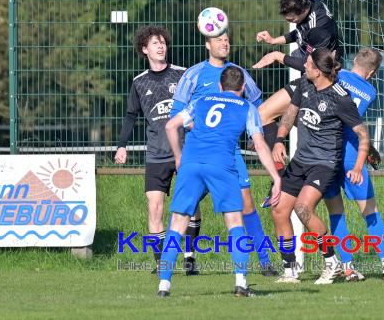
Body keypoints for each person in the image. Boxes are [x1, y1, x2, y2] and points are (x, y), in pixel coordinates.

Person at [159, 66, 282, 297]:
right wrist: (275, 177)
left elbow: (170, 125)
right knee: (235, 221)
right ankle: (240, 283)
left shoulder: (202, 100)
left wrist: (178, 157)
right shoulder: (247, 107)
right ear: (243, 87)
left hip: (191, 162)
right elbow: (260, 144)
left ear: (219, 86)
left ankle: (164, 286)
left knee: (177, 222)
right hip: (222, 164)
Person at [270, 48, 370, 284]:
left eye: (307, 64)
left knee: (303, 208)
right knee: (279, 210)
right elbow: (289, 114)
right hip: (300, 160)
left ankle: (331, 262)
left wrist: (357, 168)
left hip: (324, 164)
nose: (304, 66)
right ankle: (290, 269)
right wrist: (278, 140)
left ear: (319, 70)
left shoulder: (341, 98)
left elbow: (364, 136)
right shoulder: (305, 84)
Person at [114, 25, 193, 272]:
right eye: (155, 43)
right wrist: (122, 146)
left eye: (163, 43)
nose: (161, 47)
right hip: (156, 153)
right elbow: (130, 115)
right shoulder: (139, 82)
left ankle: (189, 256)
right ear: (144, 49)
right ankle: (162, 263)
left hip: (185, 152)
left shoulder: (182, 75)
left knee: (190, 205)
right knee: (154, 206)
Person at [324, 47, 384, 282]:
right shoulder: (370, 91)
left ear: (354, 61)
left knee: (336, 211)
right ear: (372, 73)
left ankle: (347, 266)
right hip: (351, 155)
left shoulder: (336, 76)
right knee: (370, 211)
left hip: (326, 152)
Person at [252, 0, 340, 152]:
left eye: (292, 18)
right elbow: (299, 32)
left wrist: (278, 56)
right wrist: (274, 41)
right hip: (309, 78)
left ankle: (348, 140)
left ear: (304, 10)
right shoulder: (306, 1)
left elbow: (314, 67)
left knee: (266, 114)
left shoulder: (320, 29)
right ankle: (279, 177)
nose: (291, 21)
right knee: (265, 114)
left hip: (320, 82)